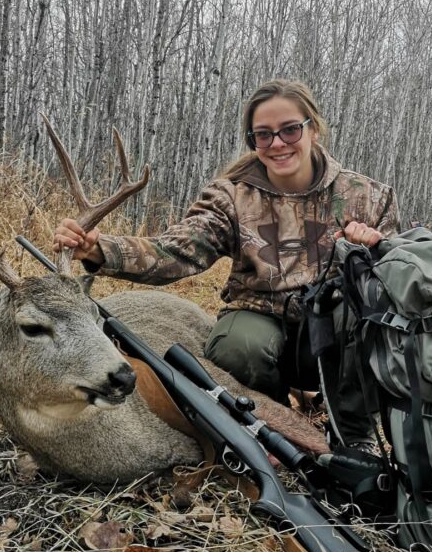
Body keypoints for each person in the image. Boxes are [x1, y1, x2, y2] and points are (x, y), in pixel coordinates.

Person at [53, 79, 400, 447]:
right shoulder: (231, 196)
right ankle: (272, 425)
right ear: (252, 141)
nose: (278, 143)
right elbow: (176, 251)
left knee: (368, 319)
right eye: (262, 135)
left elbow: (400, 278)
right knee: (237, 345)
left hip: (336, 336)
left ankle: (354, 432)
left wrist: (378, 249)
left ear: (313, 128)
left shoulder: (368, 197)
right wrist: (99, 249)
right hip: (265, 325)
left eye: (290, 130)